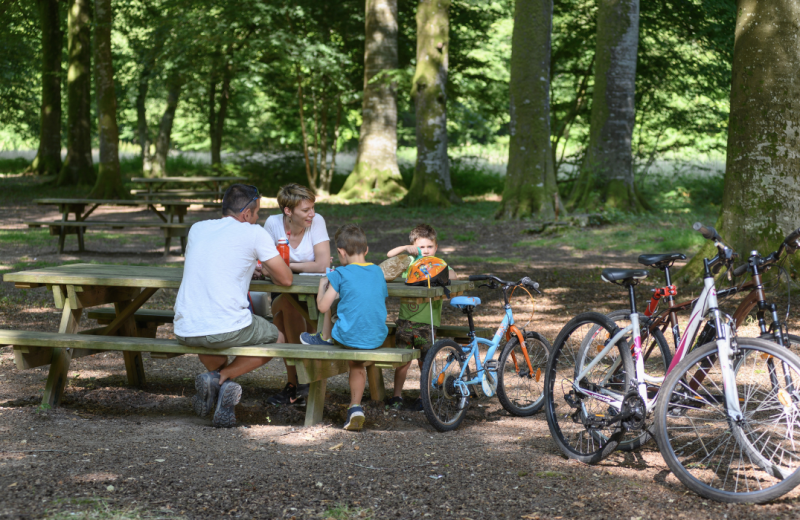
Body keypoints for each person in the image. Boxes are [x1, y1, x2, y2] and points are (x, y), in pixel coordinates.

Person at [173, 184, 293, 428]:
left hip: (186, 328)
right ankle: (222, 378)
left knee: (208, 336)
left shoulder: (197, 229)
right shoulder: (253, 232)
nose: (257, 218)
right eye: (256, 213)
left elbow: (217, 263)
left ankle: (215, 387)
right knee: (278, 339)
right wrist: (265, 267)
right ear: (246, 214)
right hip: (225, 327)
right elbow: (286, 279)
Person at [303, 224, 388, 430]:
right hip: (377, 336)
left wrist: (323, 284)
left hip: (349, 338)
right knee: (356, 362)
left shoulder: (339, 273)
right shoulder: (377, 271)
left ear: (340, 252)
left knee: (333, 310)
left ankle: (324, 338)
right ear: (366, 250)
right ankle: (355, 406)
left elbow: (323, 306)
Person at [254, 183, 331, 406]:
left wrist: (287, 266)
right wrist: (296, 266)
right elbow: (264, 265)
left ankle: (295, 383)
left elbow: (323, 264)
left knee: (287, 311)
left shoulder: (317, 222)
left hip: (315, 293)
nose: (312, 214)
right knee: (285, 308)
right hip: (284, 289)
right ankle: (301, 383)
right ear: (288, 211)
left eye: (312, 208)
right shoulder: (273, 223)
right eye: (305, 210)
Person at [384, 224, 456, 411]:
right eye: (421, 247)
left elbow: (454, 277)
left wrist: (443, 273)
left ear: (436, 247)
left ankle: (423, 396)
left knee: (426, 361)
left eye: (429, 247)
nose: (425, 251)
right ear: (414, 247)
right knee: (403, 362)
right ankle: (397, 396)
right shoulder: (409, 262)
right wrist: (406, 250)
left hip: (427, 323)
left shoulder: (438, 264)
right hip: (405, 322)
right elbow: (389, 256)